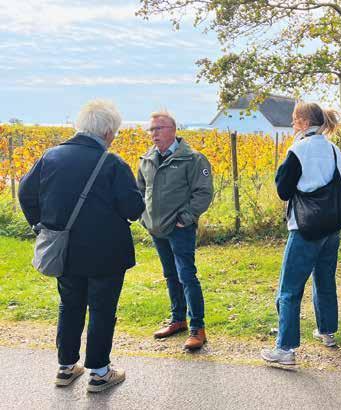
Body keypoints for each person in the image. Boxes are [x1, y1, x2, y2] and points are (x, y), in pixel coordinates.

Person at [18, 100, 145, 392]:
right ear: (108, 131)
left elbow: (25, 194)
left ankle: (66, 367)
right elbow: (132, 209)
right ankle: (99, 373)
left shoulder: (50, 156)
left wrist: (41, 224)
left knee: (70, 305)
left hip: (64, 250)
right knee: (102, 309)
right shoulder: (112, 163)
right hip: (106, 253)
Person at [260, 102, 341, 365]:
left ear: (304, 122)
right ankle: (327, 331)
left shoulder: (298, 150)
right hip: (332, 227)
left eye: (294, 120)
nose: (292, 124)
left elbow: (283, 190)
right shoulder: (333, 149)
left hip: (305, 227)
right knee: (324, 280)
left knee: (289, 288)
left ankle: (285, 348)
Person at [137, 110, 213, 350]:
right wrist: (144, 218)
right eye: (151, 129)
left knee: (186, 276)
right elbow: (140, 191)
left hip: (180, 228)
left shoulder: (193, 159)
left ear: (173, 130)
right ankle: (178, 320)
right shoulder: (147, 159)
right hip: (157, 228)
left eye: (158, 128)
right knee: (170, 275)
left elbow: (203, 192)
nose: (153, 134)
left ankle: (197, 328)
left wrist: (186, 218)